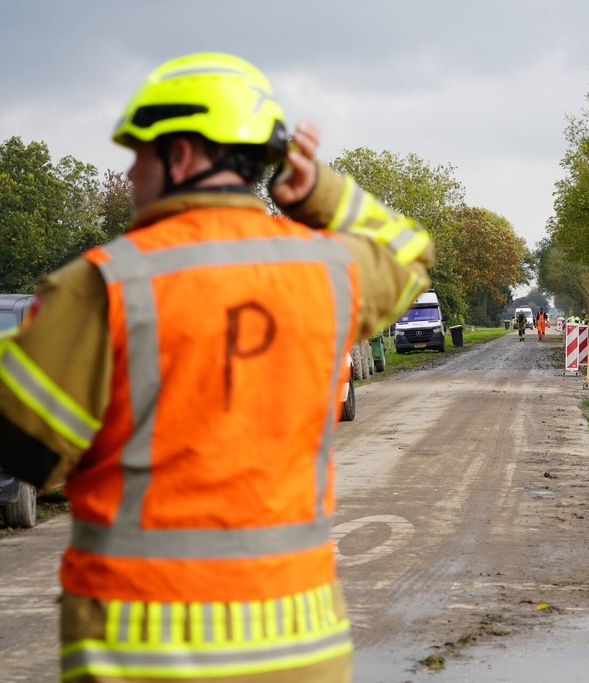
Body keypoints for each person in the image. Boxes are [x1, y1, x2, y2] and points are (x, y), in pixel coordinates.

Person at [0, 53, 433, 683]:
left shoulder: (101, 287)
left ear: (180, 156)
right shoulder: (327, 272)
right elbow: (408, 256)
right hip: (302, 650)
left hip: (144, 653)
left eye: (138, 155)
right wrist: (321, 193)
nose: (128, 174)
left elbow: (22, 448)